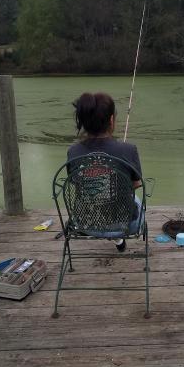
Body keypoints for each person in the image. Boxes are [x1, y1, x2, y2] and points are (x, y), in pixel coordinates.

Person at [67, 92, 143, 252]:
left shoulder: (73, 151)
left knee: (100, 195)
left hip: (83, 222)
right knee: (134, 198)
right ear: (111, 120)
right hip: (126, 224)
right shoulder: (128, 150)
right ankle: (117, 235)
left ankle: (116, 237)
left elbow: (76, 183)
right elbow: (135, 184)